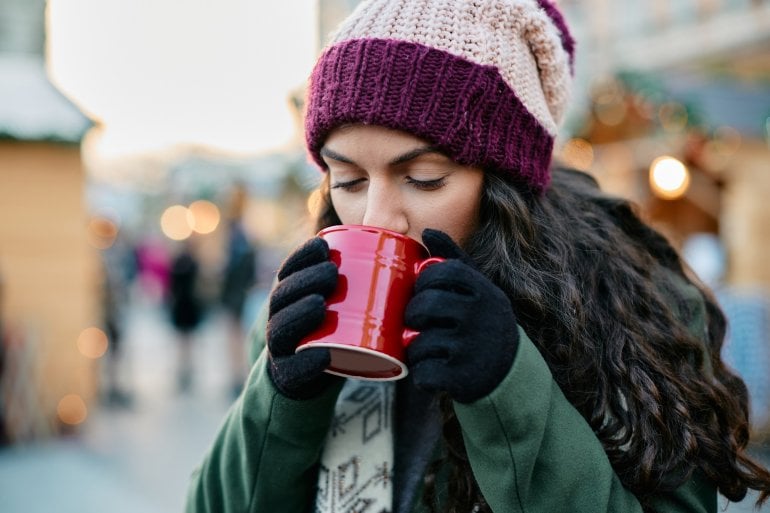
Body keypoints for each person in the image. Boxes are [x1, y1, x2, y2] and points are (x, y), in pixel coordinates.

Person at [185, 1, 770, 512]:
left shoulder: (633, 313)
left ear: (502, 184)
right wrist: (280, 399)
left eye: (424, 178)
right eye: (348, 179)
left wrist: (507, 382)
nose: (376, 219)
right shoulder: (319, 304)